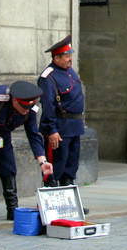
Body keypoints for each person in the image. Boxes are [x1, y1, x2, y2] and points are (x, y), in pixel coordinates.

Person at [0, 81, 54, 227]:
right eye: (23, 107)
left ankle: (12, 209)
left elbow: (33, 134)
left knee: (8, 167)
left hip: (2, 134)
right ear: (14, 100)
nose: (26, 111)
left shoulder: (30, 109)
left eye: (29, 108)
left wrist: (43, 162)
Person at [38, 35, 85, 187]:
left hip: (74, 126)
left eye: (70, 55)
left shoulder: (70, 72)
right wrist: (51, 130)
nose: (70, 59)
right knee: (55, 167)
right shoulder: (48, 76)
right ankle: (51, 203)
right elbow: (48, 105)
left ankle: (69, 204)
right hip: (60, 128)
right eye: (67, 56)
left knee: (70, 167)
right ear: (56, 58)